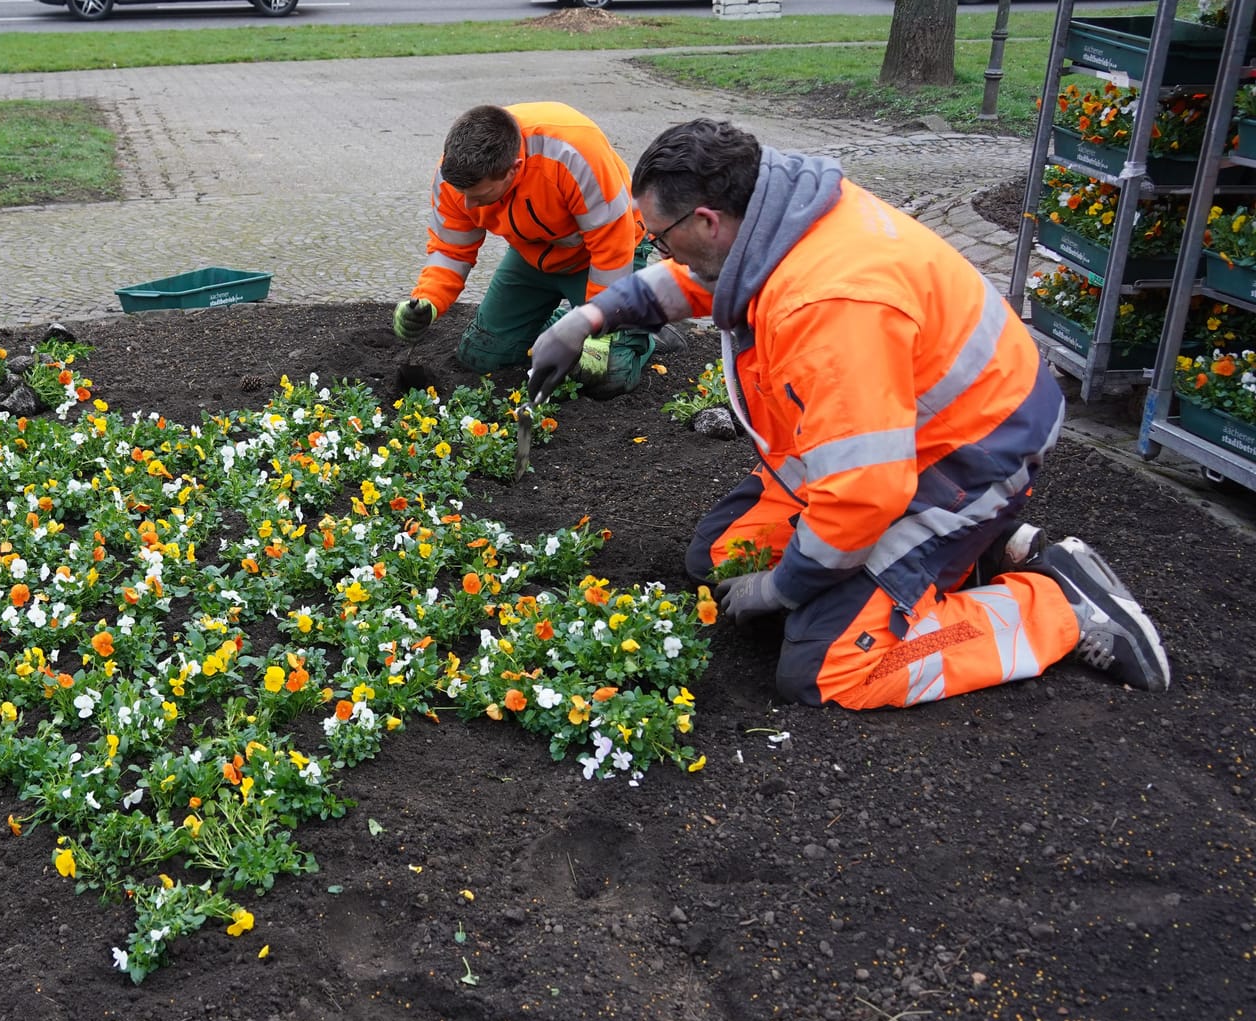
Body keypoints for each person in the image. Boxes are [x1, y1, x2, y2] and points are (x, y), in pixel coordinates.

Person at [529, 118, 1170, 709]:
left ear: (707, 220)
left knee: (830, 665)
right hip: (901, 439)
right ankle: (971, 547)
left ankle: (1059, 604)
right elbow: (704, 281)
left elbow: (865, 492)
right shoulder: (780, 218)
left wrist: (783, 588)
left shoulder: (830, 306)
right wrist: (590, 318)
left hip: (964, 457)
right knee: (722, 558)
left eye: (661, 236)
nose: (658, 250)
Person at [393, 103, 656, 396]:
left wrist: (600, 331)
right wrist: (427, 301)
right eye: (462, 195)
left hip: (605, 260)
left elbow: (612, 246)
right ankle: (567, 323)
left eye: (478, 196)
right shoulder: (456, 173)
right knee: (481, 358)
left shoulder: (574, 154)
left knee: (605, 377)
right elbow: (451, 250)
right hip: (532, 259)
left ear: (513, 170)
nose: (467, 205)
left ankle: (641, 331)